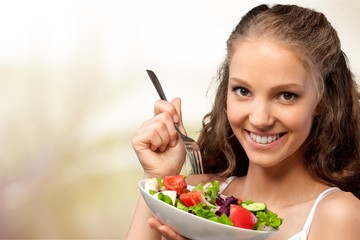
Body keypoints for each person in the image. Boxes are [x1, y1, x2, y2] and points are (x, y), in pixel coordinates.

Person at [126, 3, 360, 240]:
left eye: (286, 95)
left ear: (321, 101)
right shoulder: (195, 193)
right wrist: (157, 179)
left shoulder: (336, 215)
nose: (260, 119)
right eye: (243, 91)